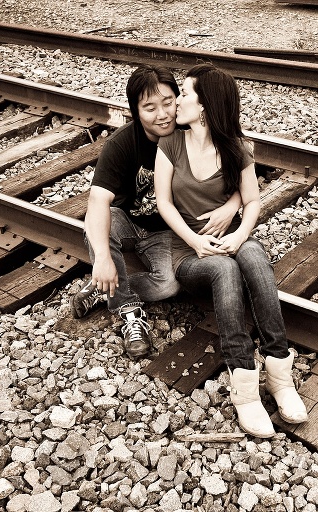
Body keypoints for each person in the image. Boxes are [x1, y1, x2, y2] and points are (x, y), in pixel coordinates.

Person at [154, 64, 308, 437]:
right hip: (188, 252)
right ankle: (243, 387)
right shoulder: (170, 144)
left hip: (229, 239)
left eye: (186, 94)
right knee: (224, 269)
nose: (178, 101)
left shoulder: (236, 147)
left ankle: (278, 371)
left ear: (205, 105)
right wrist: (195, 241)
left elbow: (253, 201)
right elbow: (164, 204)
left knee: (253, 256)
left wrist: (238, 236)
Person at [74, 64, 241, 360]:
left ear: (179, 99)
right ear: (136, 111)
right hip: (128, 221)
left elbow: (239, 169)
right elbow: (97, 201)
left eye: (167, 102)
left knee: (169, 286)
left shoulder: (192, 130)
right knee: (101, 224)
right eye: (149, 107)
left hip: (166, 230)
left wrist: (231, 205)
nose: (162, 114)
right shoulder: (122, 144)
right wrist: (101, 258)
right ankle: (127, 311)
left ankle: (102, 288)